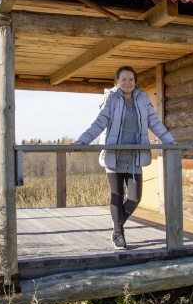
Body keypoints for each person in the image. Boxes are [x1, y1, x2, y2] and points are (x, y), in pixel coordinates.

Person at [74, 66, 175, 250]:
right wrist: (83, 141)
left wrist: (170, 141)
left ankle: (116, 227)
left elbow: (154, 121)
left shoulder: (143, 98)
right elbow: (100, 122)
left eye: (131, 80)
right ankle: (119, 235)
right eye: (124, 79)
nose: (127, 83)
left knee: (135, 198)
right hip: (115, 155)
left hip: (135, 155)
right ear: (117, 82)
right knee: (117, 195)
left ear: (135, 82)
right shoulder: (111, 98)